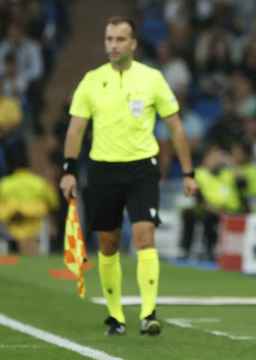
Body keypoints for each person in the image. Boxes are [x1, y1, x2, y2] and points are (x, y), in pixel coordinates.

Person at [59, 17, 197, 336]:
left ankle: (148, 313)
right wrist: (68, 170)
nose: (113, 45)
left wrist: (189, 172)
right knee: (108, 244)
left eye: (120, 40)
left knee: (144, 235)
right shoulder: (91, 81)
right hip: (103, 169)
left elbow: (175, 127)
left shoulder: (152, 79)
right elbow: (76, 129)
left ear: (133, 44)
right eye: (109, 39)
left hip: (141, 169)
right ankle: (115, 315)